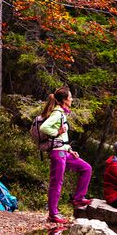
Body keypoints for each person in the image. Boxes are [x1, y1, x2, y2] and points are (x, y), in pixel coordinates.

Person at [39, 86, 92, 223]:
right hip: (57, 154)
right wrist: (57, 133)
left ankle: (78, 198)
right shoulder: (57, 113)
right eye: (70, 97)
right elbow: (44, 127)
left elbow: (62, 138)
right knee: (56, 183)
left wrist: (69, 148)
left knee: (86, 168)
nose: (72, 99)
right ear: (64, 100)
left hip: (63, 151)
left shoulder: (62, 113)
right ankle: (53, 214)